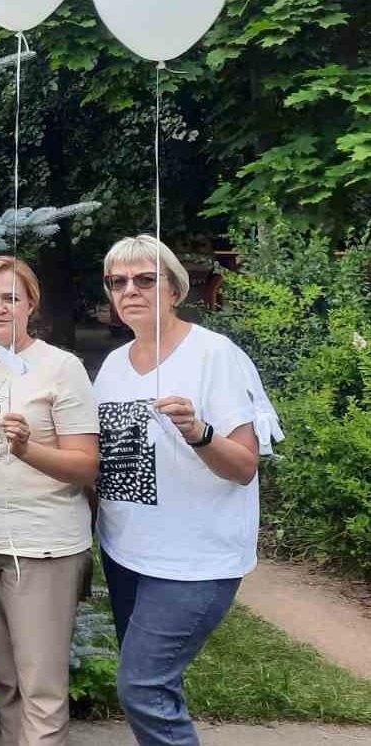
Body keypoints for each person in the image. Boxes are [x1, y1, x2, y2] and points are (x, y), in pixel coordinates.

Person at [94, 235, 267, 746]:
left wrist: (199, 433)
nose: (131, 290)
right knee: (155, 686)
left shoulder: (216, 356)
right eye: (118, 282)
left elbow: (244, 467)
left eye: (145, 279)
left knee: (142, 686)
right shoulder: (113, 365)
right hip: (126, 553)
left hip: (195, 559)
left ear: (174, 289)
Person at [0, 256, 99, 746]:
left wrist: (27, 449)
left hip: (43, 544)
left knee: (41, 687)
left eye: (11, 297)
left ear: (30, 304)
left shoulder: (62, 367)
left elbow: (85, 466)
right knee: (7, 680)